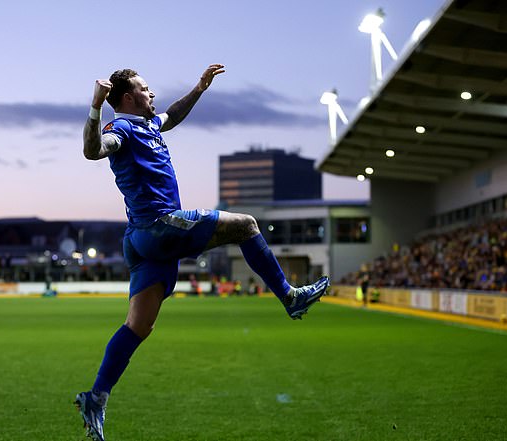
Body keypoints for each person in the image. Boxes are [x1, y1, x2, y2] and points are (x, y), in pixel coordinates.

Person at [75, 64, 330, 441]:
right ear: (128, 98)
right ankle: (290, 297)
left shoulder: (149, 125)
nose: (153, 94)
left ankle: (96, 396)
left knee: (139, 326)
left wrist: (199, 88)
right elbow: (93, 150)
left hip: (143, 243)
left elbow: (172, 115)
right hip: (161, 227)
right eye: (146, 89)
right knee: (246, 225)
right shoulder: (122, 128)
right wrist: (95, 107)